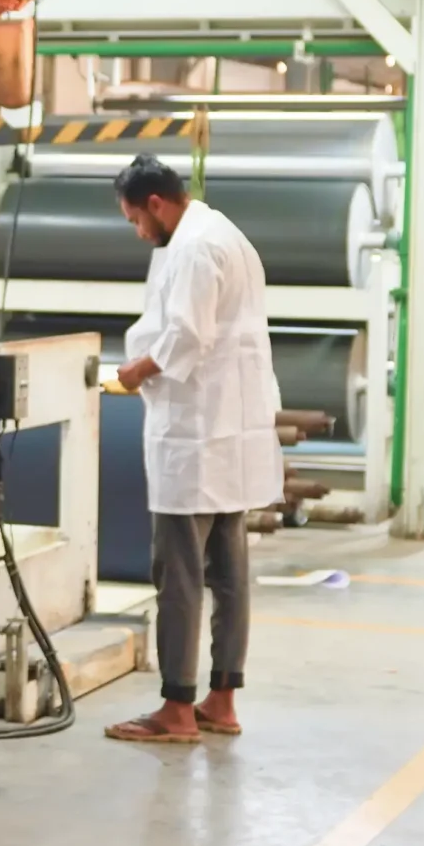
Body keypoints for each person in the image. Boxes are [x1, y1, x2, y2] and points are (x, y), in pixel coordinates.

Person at [103, 155, 283, 745]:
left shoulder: (195, 248)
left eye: (136, 219)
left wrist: (133, 371)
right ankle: (221, 700)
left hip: (197, 435)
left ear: (156, 203)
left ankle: (176, 708)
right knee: (229, 573)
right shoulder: (222, 232)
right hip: (231, 434)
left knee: (178, 573)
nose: (138, 232)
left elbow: (186, 334)